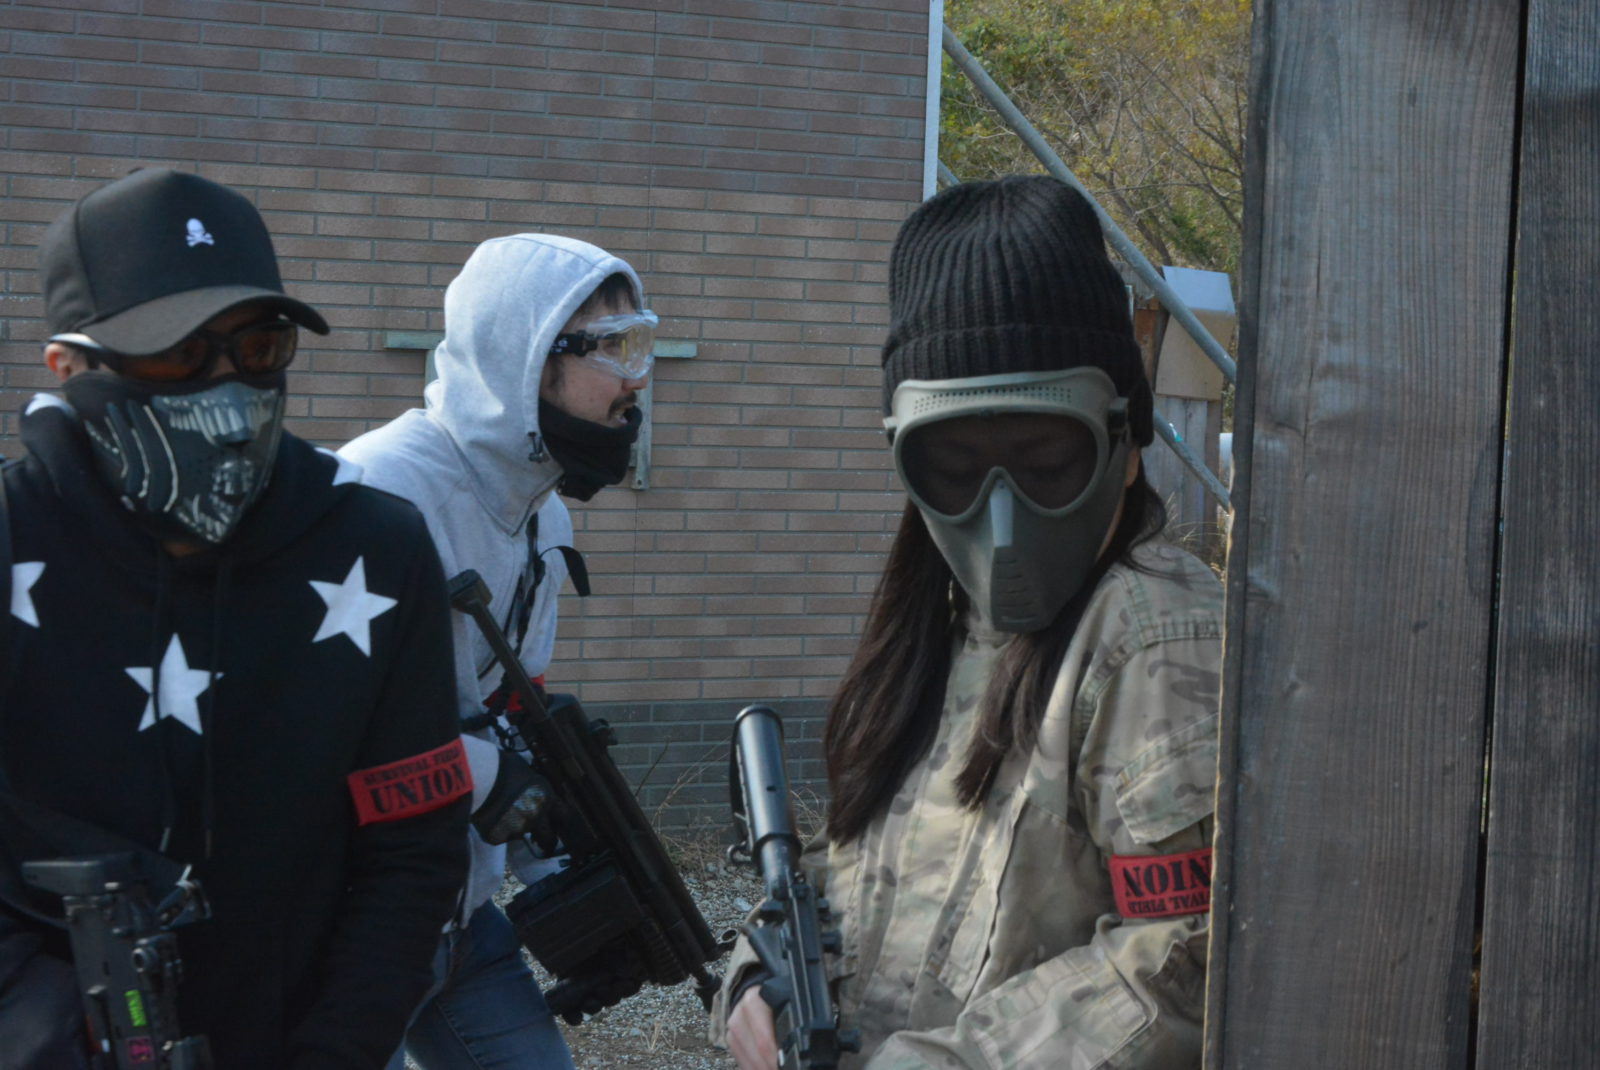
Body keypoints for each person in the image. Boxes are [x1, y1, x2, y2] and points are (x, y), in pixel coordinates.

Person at [712, 175, 1224, 1068]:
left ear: (1125, 440)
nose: (1003, 519)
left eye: (1045, 458)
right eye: (955, 465)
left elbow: (1188, 957)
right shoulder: (938, 626)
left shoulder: (1153, 635)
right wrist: (764, 976)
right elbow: (850, 878)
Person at [0, 168, 470, 1069]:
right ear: (70, 366)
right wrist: (46, 1033)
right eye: (175, 353)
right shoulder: (13, 541)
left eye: (259, 346)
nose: (225, 387)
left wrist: (334, 1054)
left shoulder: (376, 547)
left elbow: (414, 853)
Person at [340, 234, 655, 1070]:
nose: (637, 380)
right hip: (344, 923)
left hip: (460, 914)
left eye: (643, 344)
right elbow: (314, 722)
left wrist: (573, 889)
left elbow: (510, 720)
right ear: (528, 356)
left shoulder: (544, 515)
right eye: (615, 347)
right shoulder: (378, 493)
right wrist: (488, 778)